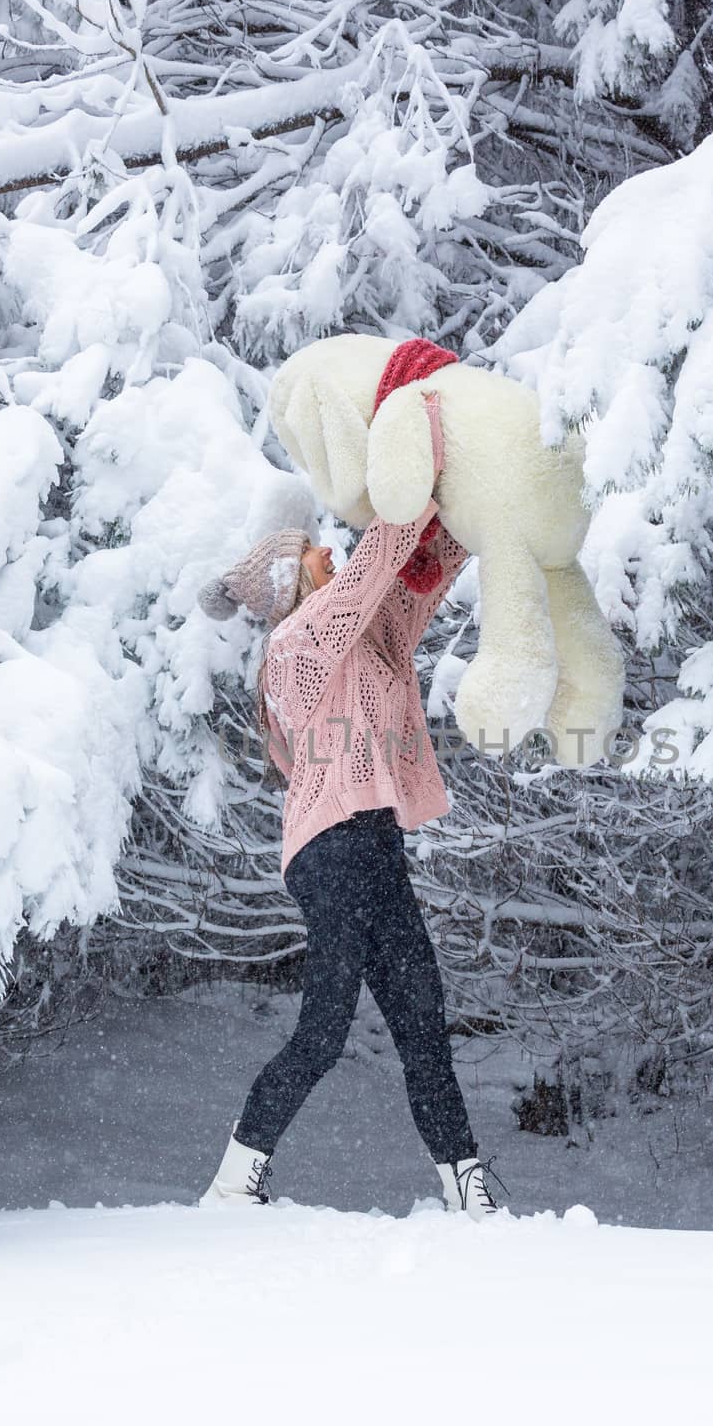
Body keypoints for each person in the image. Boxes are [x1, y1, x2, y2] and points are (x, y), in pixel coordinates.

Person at [195, 472, 503, 1219]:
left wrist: (476, 505)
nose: (331, 556)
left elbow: (415, 581)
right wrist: (430, 467)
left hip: (374, 839)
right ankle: (233, 1182)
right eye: (314, 555)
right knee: (325, 1028)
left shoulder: (362, 634)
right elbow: (379, 559)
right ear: (286, 579)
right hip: (330, 847)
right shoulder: (299, 641)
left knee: (422, 1019)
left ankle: (467, 1191)